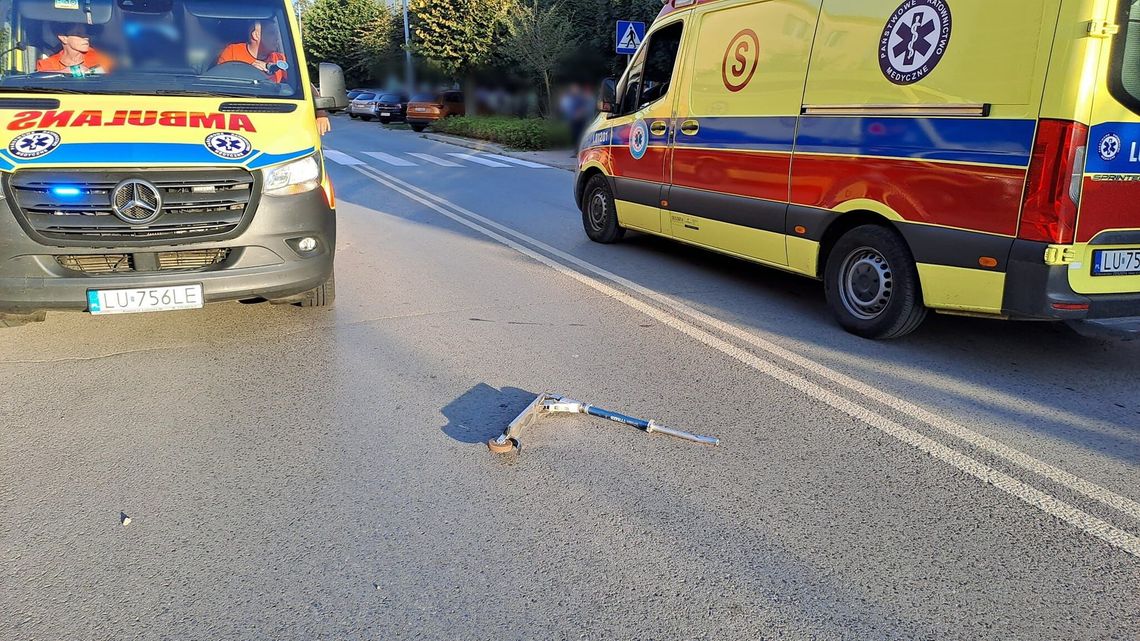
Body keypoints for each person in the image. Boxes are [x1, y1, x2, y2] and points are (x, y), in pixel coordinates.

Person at [216, 21, 330, 135]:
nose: (277, 38)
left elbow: (305, 84)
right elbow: (218, 85)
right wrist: (247, 72)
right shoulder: (232, 52)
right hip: (234, 116)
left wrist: (321, 114)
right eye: (272, 33)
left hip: (272, 117)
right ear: (256, 35)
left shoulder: (280, 59)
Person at [36, 23, 113, 75]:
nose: (86, 38)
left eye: (86, 33)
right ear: (63, 38)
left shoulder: (101, 59)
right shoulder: (46, 65)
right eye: (78, 34)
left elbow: (109, 84)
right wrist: (66, 72)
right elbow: (42, 86)